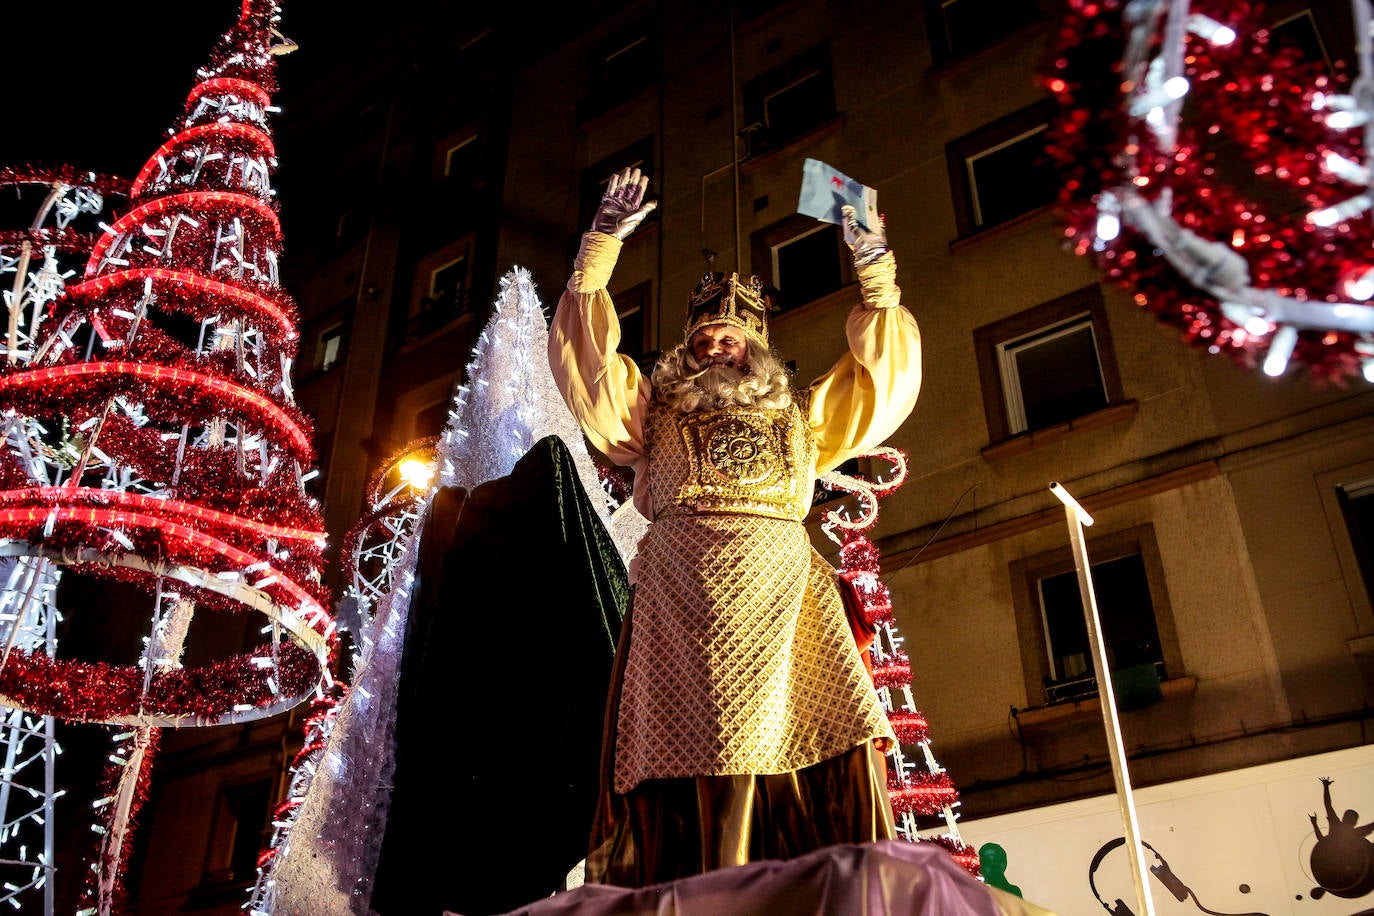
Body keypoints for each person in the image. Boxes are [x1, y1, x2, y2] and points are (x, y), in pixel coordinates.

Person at [548, 165, 922, 888]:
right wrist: (598, 252)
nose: (717, 347)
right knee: (687, 751)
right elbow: (588, 368)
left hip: (784, 603)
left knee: (817, 738)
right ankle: (695, 882)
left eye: (731, 339)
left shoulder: (804, 415)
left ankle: (815, 885)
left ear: (756, 347)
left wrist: (875, 266)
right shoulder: (650, 414)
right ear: (687, 349)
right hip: (680, 602)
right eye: (705, 339)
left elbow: (885, 380)